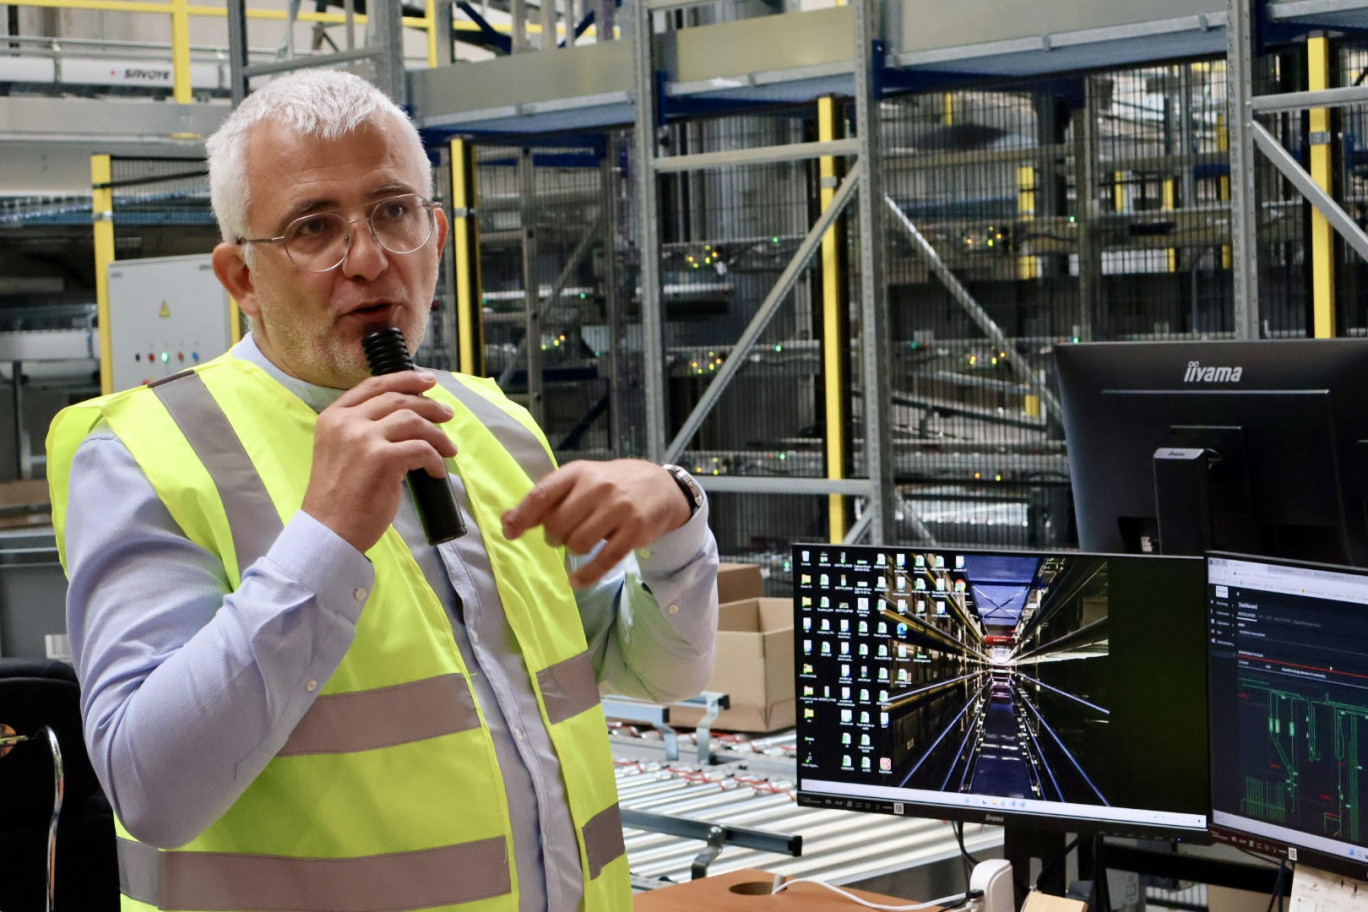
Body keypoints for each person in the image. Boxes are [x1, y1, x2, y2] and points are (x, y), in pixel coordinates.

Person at [46, 68, 719, 912]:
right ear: (241, 277)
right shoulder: (151, 452)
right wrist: (322, 540)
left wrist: (678, 520)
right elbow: (151, 790)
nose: (367, 260)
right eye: (313, 227)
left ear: (435, 233)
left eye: (393, 212)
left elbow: (658, 672)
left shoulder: (491, 423)